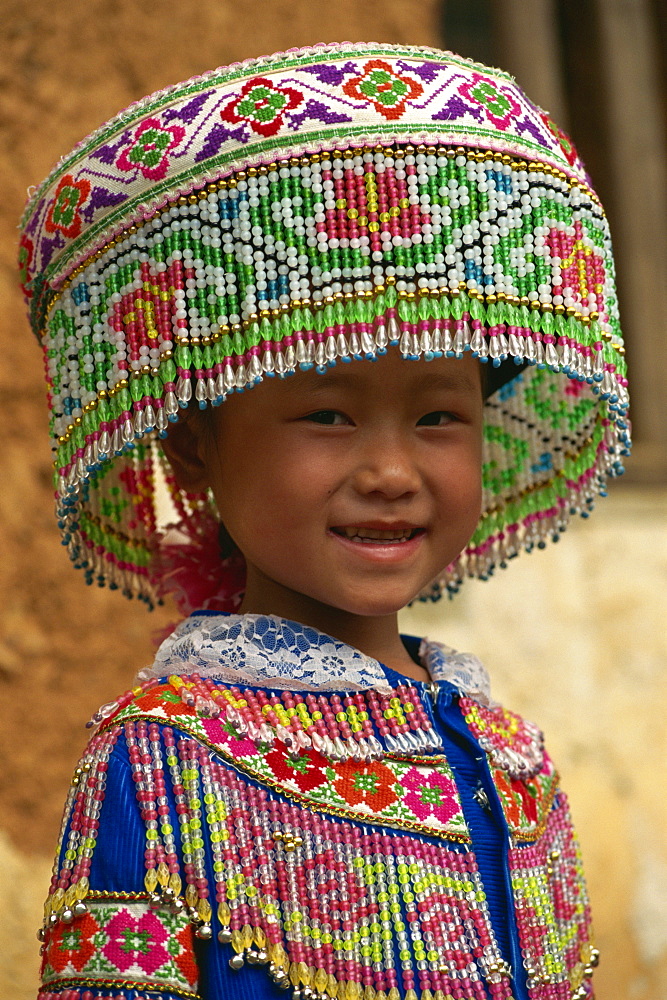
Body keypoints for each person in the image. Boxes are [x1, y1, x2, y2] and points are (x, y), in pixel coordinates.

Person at [19, 42, 630, 1000]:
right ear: (192, 447)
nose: (391, 472)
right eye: (326, 415)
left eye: (438, 416)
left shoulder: (513, 755)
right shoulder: (165, 758)